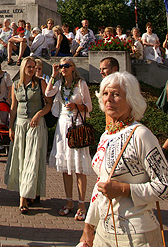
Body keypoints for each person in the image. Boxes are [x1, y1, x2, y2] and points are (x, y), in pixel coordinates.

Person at [78, 72, 168, 247]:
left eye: (116, 94)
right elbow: (101, 185)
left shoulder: (141, 135)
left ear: (131, 99)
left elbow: (165, 185)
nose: (109, 99)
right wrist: (88, 227)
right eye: (105, 93)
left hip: (137, 235)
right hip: (103, 234)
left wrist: (124, 189)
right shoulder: (106, 135)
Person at [45, 57, 92, 221]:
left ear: (73, 68)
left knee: (78, 166)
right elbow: (48, 93)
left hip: (77, 125)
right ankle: (69, 201)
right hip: (63, 125)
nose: (63, 68)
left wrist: (76, 106)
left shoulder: (81, 84)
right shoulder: (59, 84)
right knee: (66, 167)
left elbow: (89, 106)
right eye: (61, 66)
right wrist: (53, 74)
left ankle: (81, 203)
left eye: (66, 66)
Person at [4, 57, 52, 214]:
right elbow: (13, 107)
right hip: (20, 124)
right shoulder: (16, 85)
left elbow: (49, 104)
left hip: (35, 125)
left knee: (32, 159)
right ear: (23, 67)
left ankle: (24, 197)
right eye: (28, 66)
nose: (31, 69)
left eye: (33, 67)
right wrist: (10, 127)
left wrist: (39, 114)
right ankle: (30, 191)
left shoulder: (40, 83)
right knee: (21, 159)